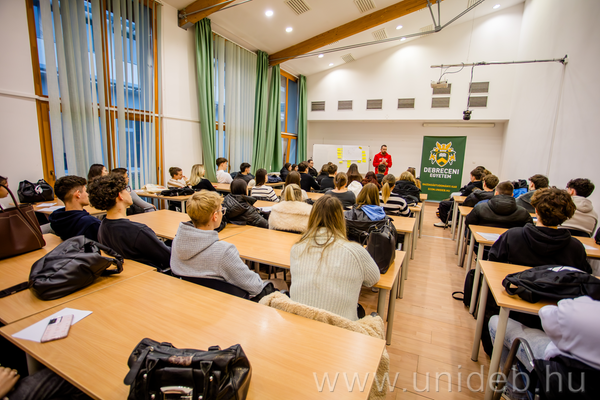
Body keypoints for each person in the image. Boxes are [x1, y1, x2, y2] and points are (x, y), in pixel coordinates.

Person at [170, 190, 281, 301]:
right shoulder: (223, 252)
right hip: (229, 305)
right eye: (221, 210)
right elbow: (255, 287)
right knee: (280, 284)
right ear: (215, 216)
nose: (222, 213)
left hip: (193, 300)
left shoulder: (177, 242)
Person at [290, 195, 380, 321]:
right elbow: (373, 279)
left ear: (312, 217)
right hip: (341, 328)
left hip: (299, 323)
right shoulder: (355, 252)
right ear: (340, 219)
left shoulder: (297, 248)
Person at [489, 188, 591, 272]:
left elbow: (493, 262)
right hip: (558, 291)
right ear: (566, 215)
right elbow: (582, 274)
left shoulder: (512, 236)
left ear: (536, 210)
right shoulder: (576, 247)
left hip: (514, 287)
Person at [88, 174, 171, 271]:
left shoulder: (102, 225)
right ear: (120, 195)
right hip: (155, 274)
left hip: (132, 272)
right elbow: (169, 258)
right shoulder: (138, 231)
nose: (129, 192)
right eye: (126, 189)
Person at [48, 176, 101, 241]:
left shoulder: (57, 219)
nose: (87, 194)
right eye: (86, 191)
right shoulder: (91, 223)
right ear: (78, 194)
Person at [464, 181, 533, 230]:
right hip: (509, 244)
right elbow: (529, 228)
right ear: (512, 195)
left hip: (479, 243)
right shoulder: (523, 212)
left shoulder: (480, 207)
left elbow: (468, 222)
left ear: (496, 193)